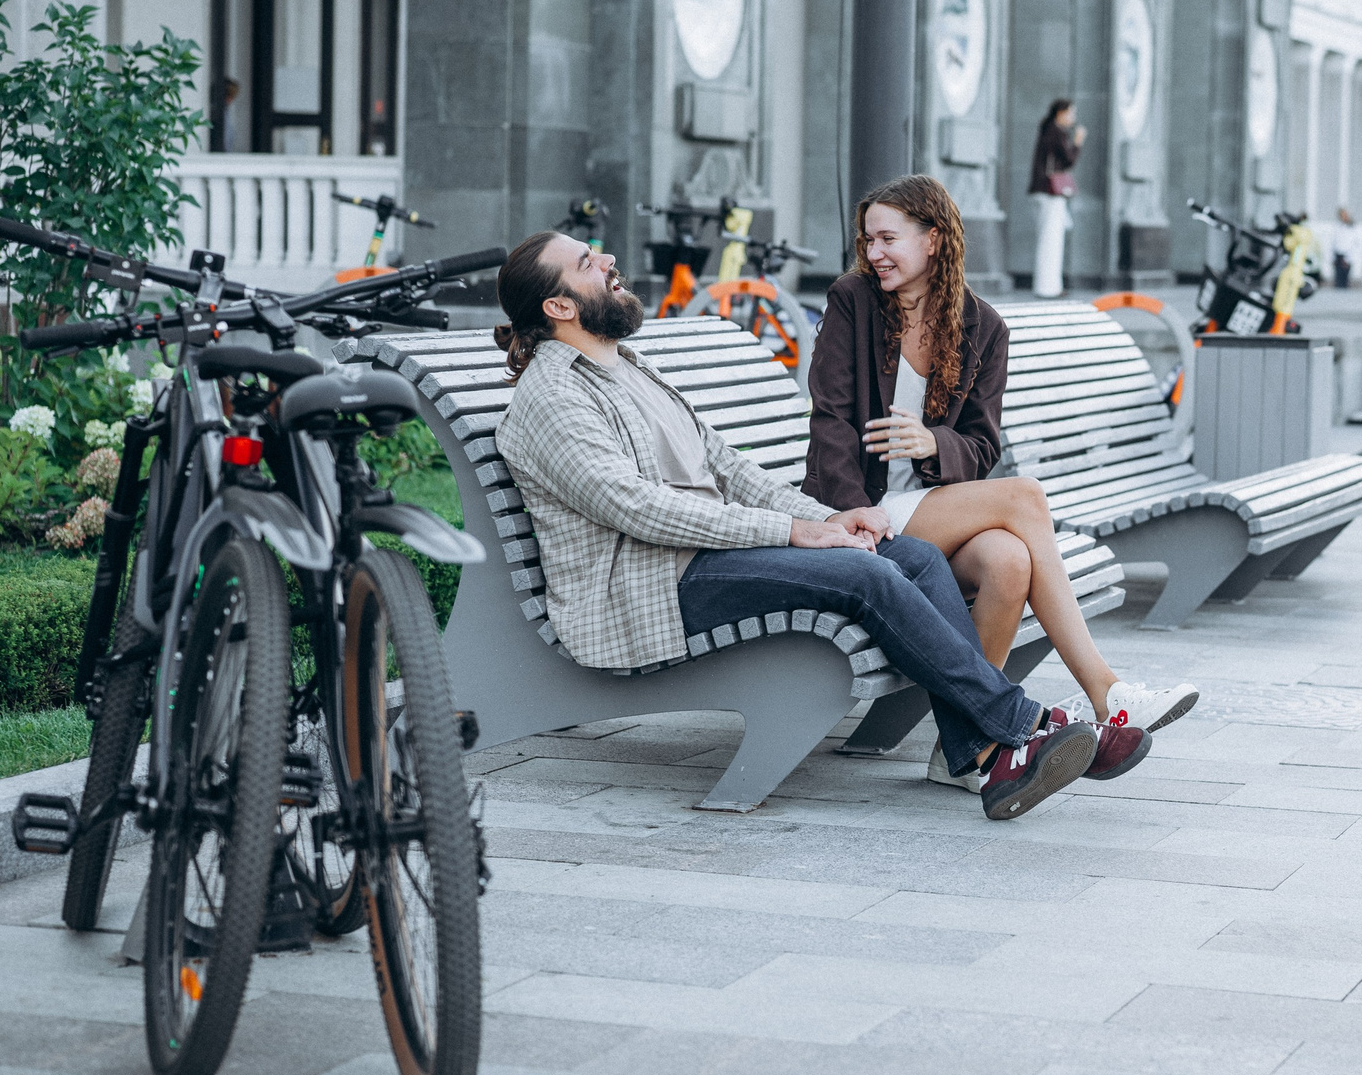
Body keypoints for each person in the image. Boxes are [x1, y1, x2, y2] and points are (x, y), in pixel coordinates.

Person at [491, 228, 1134, 822]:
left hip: (700, 559)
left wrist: (828, 517)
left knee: (909, 555)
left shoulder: (625, 365)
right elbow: (635, 507)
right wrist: (793, 534)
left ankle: (983, 759)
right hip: (648, 584)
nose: (607, 261)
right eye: (585, 263)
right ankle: (1021, 727)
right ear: (559, 308)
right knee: (861, 573)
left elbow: (728, 467)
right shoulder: (552, 396)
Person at [805, 175, 1198, 791]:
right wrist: (853, 509)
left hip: (930, 508)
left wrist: (936, 443)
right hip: (861, 509)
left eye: (888, 237)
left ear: (933, 239)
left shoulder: (982, 326)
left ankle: (966, 746)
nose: (874, 251)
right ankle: (1107, 693)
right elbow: (829, 418)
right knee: (1026, 496)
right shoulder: (853, 302)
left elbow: (983, 446)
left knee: (1011, 561)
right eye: (868, 239)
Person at [1026, 100, 1082, 299]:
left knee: (1048, 239)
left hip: (1043, 191)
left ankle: (1049, 286)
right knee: (1051, 240)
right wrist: (1077, 142)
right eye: (1071, 113)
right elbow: (1068, 159)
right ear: (1061, 113)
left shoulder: (1048, 130)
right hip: (1050, 192)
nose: (1073, 118)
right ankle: (1047, 287)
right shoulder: (1056, 131)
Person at [1324, 207, 1360, 289]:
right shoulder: (1337, 227)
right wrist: (1331, 257)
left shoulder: (1353, 227)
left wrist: (1348, 258)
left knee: (1344, 280)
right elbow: (1332, 243)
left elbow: (1356, 244)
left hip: (1347, 255)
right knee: (1338, 280)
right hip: (1338, 256)